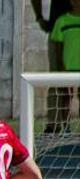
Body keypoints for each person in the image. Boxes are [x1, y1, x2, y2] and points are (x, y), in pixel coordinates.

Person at [32, 0, 72, 133]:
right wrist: (39, 17)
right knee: (57, 79)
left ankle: (64, 125)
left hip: (76, 31)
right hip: (58, 31)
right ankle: (53, 125)